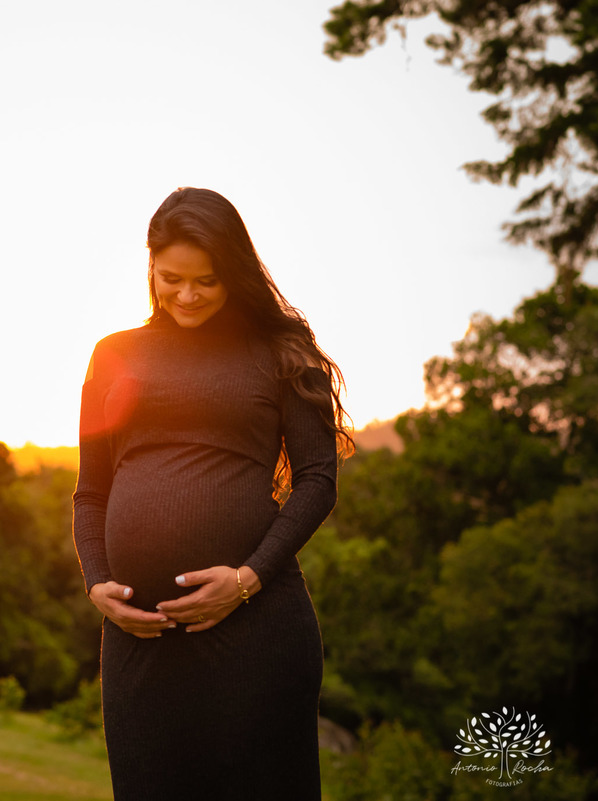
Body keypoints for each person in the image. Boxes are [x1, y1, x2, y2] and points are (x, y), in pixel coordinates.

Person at [72, 187, 352, 799]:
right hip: (140, 641)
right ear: (150, 266)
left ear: (236, 273)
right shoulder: (114, 355)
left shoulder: (280, 352)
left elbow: (317, 480)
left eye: (208, 281)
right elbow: (90, 491)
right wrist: (98, 584)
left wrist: (247, 579)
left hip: (256, 633)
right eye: (172, 279)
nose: (188, 296)